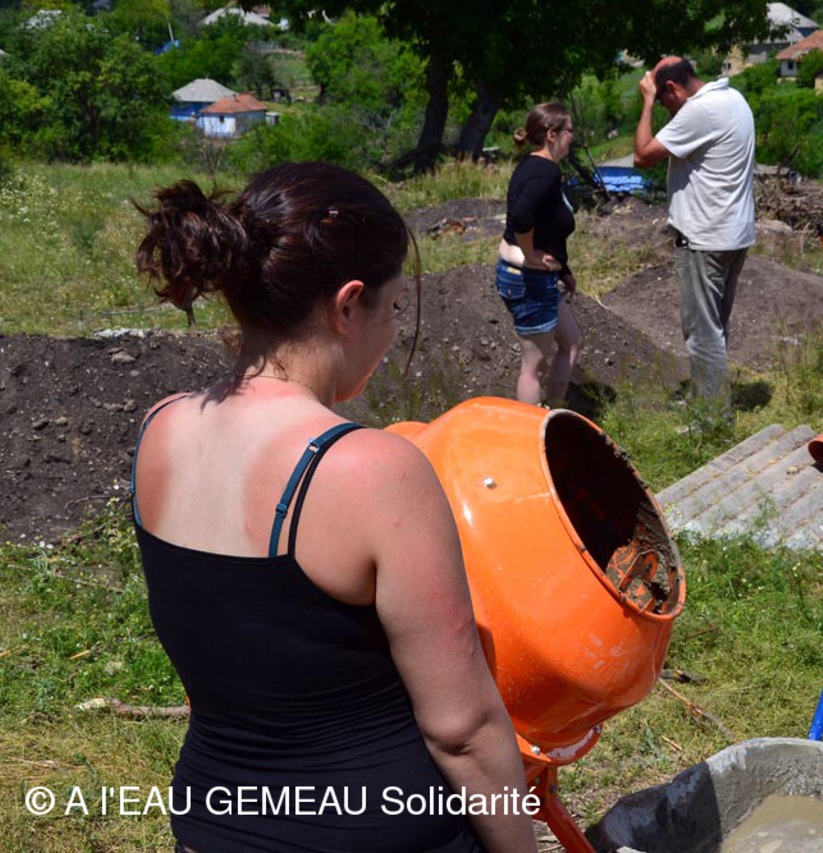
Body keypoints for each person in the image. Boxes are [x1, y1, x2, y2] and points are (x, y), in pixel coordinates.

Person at [132, 161, 538, 853]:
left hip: (210, 827)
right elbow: (462, 730)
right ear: (348, 305)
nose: (394, 328)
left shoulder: (160, 429)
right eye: (394, 306)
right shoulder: (371, 471)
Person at [633, 56, 756, 415]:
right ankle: (708, 394)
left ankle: (712, 417)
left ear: (671, 88)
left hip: (705, 237)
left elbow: (642, 156)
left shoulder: (699, 111)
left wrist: (646, 103)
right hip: (734, 232)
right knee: (715, 326)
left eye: (662, 99)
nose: (664, 108)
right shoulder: (733, 98)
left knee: (702, 332)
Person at [497, 102, 583, 407]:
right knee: (533, 368)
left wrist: (563, 270)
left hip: (536, 276)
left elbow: (548, 225)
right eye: (569, 130)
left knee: (571, 341)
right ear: (551, 134)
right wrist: (532, 256)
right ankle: (532, 427)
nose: (572, 137)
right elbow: (521, 218)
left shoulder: (534, 166)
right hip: (529, 277)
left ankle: (554, 411)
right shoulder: (544, 171)